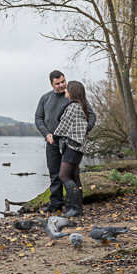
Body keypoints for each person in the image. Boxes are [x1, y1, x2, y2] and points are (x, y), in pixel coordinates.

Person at [35, 71, 96, 213]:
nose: (62, 85)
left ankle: (71, 205)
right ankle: (55, 203)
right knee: (54, 173)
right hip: (52, 142)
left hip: (70, 143)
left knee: (71, 174)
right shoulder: (45, 98)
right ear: (52, 84)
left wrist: (82, 130)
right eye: (58, 83)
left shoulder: (74, 96)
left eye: (63, 81)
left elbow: (91, 115)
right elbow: (38, 118)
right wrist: (47, 134)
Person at [52, 81, 91, 217]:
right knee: (74, 176)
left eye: (67, 89)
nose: (65, 91)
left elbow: (64, 125)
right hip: (77, 146)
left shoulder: (74, 106)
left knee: (63, 175)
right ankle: (77, 208)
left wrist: (54, 137)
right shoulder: (80, 105)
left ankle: (76, 208)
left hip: (72, 146)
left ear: (72, 91)